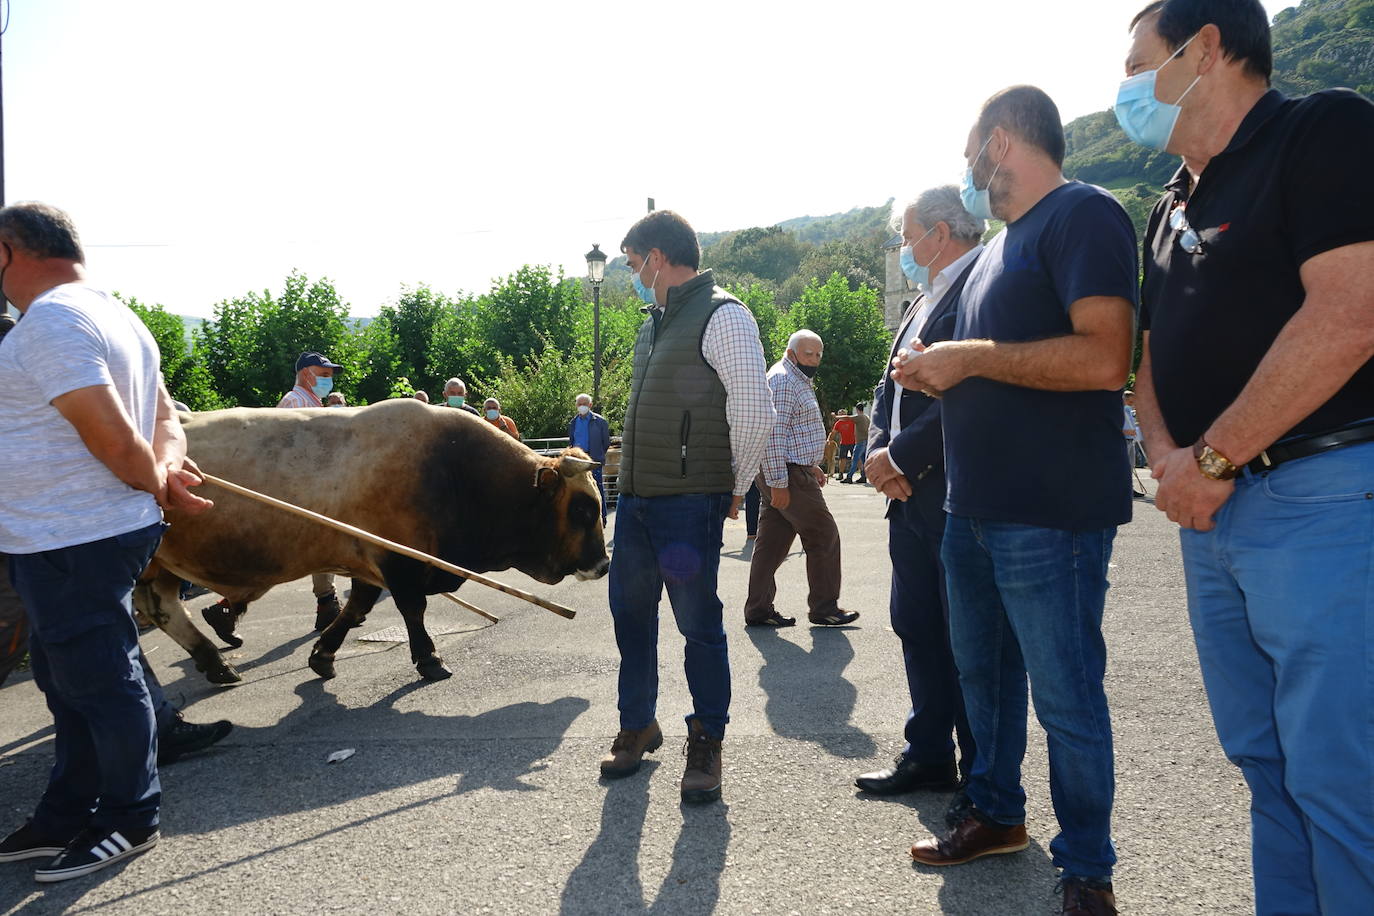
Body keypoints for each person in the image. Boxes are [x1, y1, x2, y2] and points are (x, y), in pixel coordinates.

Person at [1120, 3, 1374, 911]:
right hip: (1208, 514)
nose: (1127, 90)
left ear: (1207, 49)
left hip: (1321, 496)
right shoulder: (1169, 203)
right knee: (1265, 768)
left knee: (1343, 781)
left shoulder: (1323, 130)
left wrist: (1213, 461)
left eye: (1139, 62)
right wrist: (1167, 463)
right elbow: (1146, 360)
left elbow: (1350, 313)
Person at [895, 87, 1137, 916]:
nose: (967, 169)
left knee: (1066, 692)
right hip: (974, 509)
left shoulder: (1085, 215)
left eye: (972, 151)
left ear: (1001, 144)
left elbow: (1106, 359)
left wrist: (968, 359)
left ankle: (1087, 871)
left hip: (1051, 510)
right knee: (985, 679)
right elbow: (986, 362)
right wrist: (939, 368)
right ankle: (996, 813)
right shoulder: (998, 248)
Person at [0, 202, 217, 881]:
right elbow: (164, 419)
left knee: (99, 678)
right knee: (65, 678)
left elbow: (119, 441)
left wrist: (152, 476)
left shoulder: (52, 322)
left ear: (8, 250)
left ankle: (131, 818)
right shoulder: (118, 315)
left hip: (70, 534)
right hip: (88, 530)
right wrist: (167, 472)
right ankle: (65, 814)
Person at [601, 210, 774, 805]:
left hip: (688, 501)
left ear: (657, 257)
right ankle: (638, 724)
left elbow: (752, 410)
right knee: (631, 615)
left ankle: (706, 739)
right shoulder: (653, 323)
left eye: (632, 264)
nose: (632, 276)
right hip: (640, 501)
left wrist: (736, 484)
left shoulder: (724, 314)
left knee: (697, 625)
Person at [855, 186, 983, 798]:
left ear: (940, 233)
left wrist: (900, 456)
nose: (904, 249)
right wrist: (879, 453)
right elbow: (888, 394)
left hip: (952, 492)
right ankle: (930, 753)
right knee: (917, 623)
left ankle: (982, 770)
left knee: (967, 636)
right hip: (905, 497)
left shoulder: (979, 288)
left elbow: (970, 392)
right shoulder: (919, 302)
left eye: (908, 238)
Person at [743, 330, 859, 629]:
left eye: (819, 354)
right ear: (792, 352)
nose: (815, 360)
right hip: (787, 474)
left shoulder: (792, 379)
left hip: (791, 470)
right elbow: (773, 433)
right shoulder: (783, 380)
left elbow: (792, 432)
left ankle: (758, 609)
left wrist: (812, 466)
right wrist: (780, 481)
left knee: (771, 545)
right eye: (809, 354)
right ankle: (824, 608)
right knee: (824, 535)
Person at [567, 393, 611, 523]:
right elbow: (572, 441)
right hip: (578, 461)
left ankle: (602, 517)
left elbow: (606, 443)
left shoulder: (600, 422)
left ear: (590, 405)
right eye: (579, 404)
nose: (581, 406)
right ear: (576, 405)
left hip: (594, 460)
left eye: (584, 404)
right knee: (578, 490)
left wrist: (597, 455)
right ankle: (582, 519)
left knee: (598, 488)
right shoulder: (573, 423)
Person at [1121, 390, 1146, 497]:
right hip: (1124, 441)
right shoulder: (1120, 410)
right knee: (1124, 467)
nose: (1133, 404)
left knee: (1130, 466)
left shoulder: (1128, 411)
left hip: (1130, 440)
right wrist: (1125, 431)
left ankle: (1128, 488)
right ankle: (1123, 489)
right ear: (1125, 400)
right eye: (1131, 402)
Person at [842, 404, 870, 484]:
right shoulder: (867, 417)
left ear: (857, 409)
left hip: (860, 441)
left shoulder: (859, 417)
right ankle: (863, 476)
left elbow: (847, 418)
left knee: (855, 459)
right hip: (866, 441)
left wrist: (836, 417)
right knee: (863, 460)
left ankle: (849, 477)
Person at [832, 409, 856, 481]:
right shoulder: (838, 423)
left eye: (842, 414)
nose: (841, 415)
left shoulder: (852, 420)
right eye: (840, 414)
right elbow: (834, 432)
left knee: (856, 458)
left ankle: (862, 474)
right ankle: (841, 474)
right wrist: (829, 440)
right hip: (843, 443)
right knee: (842, 459)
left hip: (853, 442)